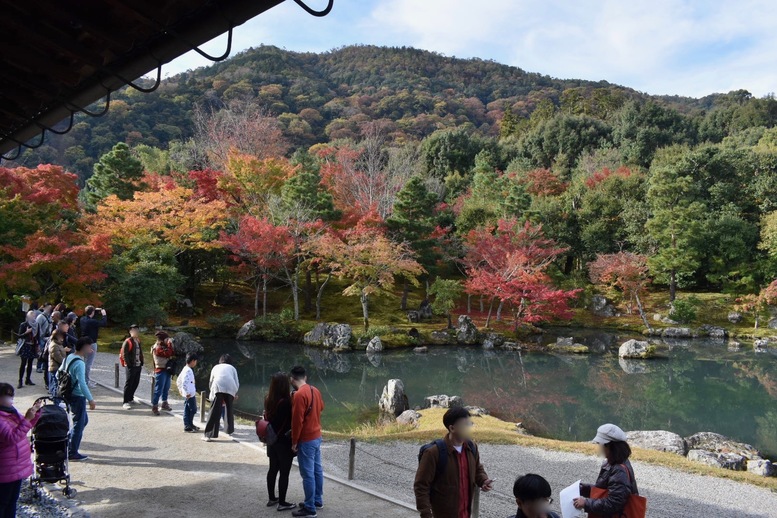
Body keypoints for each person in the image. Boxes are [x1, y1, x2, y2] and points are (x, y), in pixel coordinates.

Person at [414, 407, 493, 518]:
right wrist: (426, 514)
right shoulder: (433, 453)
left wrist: (483, 480)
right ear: (452, 428)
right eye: (464, 425)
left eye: (469, 424)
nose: (469, 428)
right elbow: (421, 486)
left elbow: (477, 468)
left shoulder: (472, 447)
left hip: (465, 514)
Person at [573, 423, 639, 516]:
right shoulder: (614, 462)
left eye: (600, 444)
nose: (599, 448)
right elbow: (604, 491)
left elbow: (613, 504)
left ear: (609, 446)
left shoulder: (619, 470)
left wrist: (586, 503)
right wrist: (584, 489)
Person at [0, 383, 43, 517]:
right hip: (5, 469)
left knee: (12, 502)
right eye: (7, 395)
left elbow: (24, 428)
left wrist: (34, 414)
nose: (10, 398)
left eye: (11, 395)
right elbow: (12, 438)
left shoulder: (10, 411)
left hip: (16, 466)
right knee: (3, 503)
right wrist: (27, 419)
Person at [289, 365, 324, 518]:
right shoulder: (314, 390)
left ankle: (310, 508)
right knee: (317, 470)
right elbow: (321, 407)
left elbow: (297, 422)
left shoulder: (298, 395)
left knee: (308, 474)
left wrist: (294, 442)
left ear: (292, 379)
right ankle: (317, 500)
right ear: (306, 377)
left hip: (306, 439)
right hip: (317, 435)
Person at [59, 337, 96, 461]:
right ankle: (72, 452)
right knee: (79, 424)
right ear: (85, 347)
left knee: (83, 420)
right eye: (90, 347)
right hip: (77, 396)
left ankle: (70, 444)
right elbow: (82, 383)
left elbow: (58, 372)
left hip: (68, 394)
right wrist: (90, 399)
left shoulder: (68, 357)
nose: (91, 350)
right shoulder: (80, 363)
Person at [264, 372, 295, 511]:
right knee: (284, 472)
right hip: (284, 441)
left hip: (271, 439)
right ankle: (282, 502)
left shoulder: (268, 399)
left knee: (272, 469)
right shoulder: (287, 402)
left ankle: (272, 498)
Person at [202, 354, 239, 441]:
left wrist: (212, 393)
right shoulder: (232, 368)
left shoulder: (216, 367)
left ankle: (208, 435)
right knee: (228, 409)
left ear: (220, 360)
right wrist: (235, 393)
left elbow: (211, 381)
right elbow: (236, 382)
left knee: (214, 411)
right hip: (230, 387)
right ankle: (229, 431)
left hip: (217, 387)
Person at [80, 305, 107, 387]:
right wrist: (104, 315)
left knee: (85, 361)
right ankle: (86, 381)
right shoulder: (92, 322)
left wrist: (94, 310)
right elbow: (103, 323)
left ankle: (85, 379)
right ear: (92, 312)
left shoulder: (82, 319)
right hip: (91, 343)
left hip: (83, 342)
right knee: (88, 363)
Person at [119, 325, 144, 410]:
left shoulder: (138, 340)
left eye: (137, 330)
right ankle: (125, 401)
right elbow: (124, 354)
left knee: (136, 382)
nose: (136, 331)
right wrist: (129, 364)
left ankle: (131, 398)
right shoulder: (128, 341)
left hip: (138, 364)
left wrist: (141, 362)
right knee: (129, 383)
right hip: (131, 365)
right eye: (134, 330)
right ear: (130, 331)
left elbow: (140, 352)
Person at [150, 330, 175, 415]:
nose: (168, 340)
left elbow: (172, 352)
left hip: (166, 370)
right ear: (162, 339)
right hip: (160, 370)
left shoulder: (163, 346)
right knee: (158, 389)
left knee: (166, 388)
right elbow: (168, 353)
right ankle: (155, 406)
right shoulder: (157, 347)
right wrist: (170, 344)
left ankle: (164, 403)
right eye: (166, 339)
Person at [47, 324, 72, 399]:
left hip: (58, 367)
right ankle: (56, 401)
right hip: (55, 368)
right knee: (56, 386)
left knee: (58, 385)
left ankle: (58, 400)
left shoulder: (58, 344)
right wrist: (66, 364)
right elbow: (58, 358)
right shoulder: (54, 345)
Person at [177, 353, 199, 432]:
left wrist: (180, 389)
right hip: (189, 394)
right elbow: (184, 382)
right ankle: (187, 425)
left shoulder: (185, 369)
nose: (196, 363)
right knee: (192, 409)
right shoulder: (188, 370)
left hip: (190, 393)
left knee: (188, 408)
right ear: (192, 361)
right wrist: (186, 392)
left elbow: (178, 380)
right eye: (195, 361)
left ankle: (190, 423)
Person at [16, 311, 38, 389]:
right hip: (25, 345)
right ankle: (20, 381)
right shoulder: (23, 324)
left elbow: (37, 335)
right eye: (32, 316)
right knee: (23, 363)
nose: (33, 318)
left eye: (34, 316)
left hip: (32, 346)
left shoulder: (36, 324)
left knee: (30, 363)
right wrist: (26, 332)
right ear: (28, 317)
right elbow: (19, 336)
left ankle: (28, 379)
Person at [34, 302, 53, 373]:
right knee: (41, 352)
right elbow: (37, 327)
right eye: (48, 308)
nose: (49, 309)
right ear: (44, 308)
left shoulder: (50, 317)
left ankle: (44, 366)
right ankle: (38, 366)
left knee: (46, 352)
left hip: (48, 337)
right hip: (41, 337)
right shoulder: (40, 317)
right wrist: (40, 336)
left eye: (50, 308)